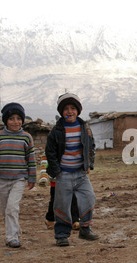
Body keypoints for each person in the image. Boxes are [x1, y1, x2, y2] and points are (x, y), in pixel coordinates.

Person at [0, 103, 36, 248]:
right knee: (5, 210)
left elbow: (31, 160)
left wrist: (32, 177)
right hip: (2, 179)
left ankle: (12, 237)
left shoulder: (26, 138)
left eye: (18, 118)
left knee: (12, 208)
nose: (15, 122)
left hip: (19, 179)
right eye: (11, 119)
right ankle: (13, 231)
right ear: (5, 121)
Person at [45, 92, 98, 247]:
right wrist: (56, 171)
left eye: (73, 108)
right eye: (66, 108)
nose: (70, 111)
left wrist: (89, 164)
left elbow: (91, 147)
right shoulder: (56, 131)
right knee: (62, 205)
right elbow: (50, 152)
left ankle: (85, 229)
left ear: (78, 110)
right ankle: (62, 235)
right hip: (64, 175)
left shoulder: (85, 128)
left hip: (81, 174)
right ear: (61, 112)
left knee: (89, 199)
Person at [39, 153, 80, 231]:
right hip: (56, 180)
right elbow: (44, 163)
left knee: (73, 199)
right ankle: (50, 219)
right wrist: (43, 177)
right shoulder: (50, 149)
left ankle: (75, 220)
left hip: (70, 179)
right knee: (55, 200)